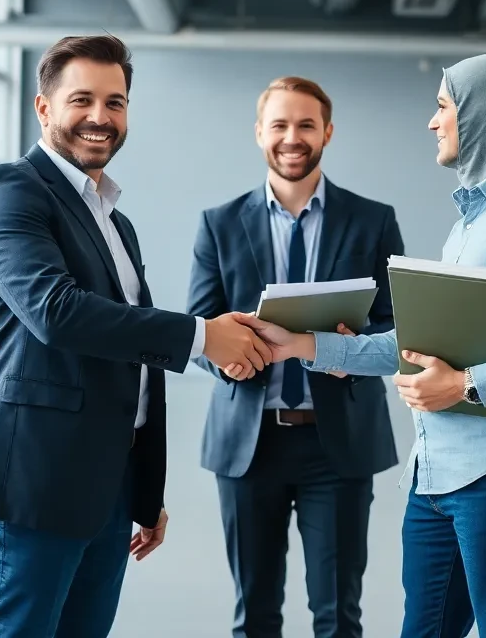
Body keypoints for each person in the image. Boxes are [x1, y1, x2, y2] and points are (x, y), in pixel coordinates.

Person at [229, 55, 486, 638]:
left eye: (443, 106)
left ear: (480, 112)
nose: (433, 122)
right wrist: (299, 344)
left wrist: (467, 385)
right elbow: (418, 347)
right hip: (435, 476)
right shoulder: (469, 224)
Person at [0, 34, 273, 638]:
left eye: (115, 102)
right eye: (82, 100)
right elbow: (56, 313)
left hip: (109, 486)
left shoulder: (115, 221)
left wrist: (143, 491)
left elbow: (130, 359)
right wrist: (202, 336)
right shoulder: (10, 191)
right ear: (44, 107)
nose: (100, 117)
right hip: (37, 479)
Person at [188, 76, 404, 638]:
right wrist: (227, 357)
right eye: (279, 124)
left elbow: (398, 327)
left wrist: (350, 347)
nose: (292, 137)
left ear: (327, 132)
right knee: (254, 615)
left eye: (306, 125)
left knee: (338, 616)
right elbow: (200, 328)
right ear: (260, 132)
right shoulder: (219, 223)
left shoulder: (373, 220)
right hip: (248, 442)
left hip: (338, 444)